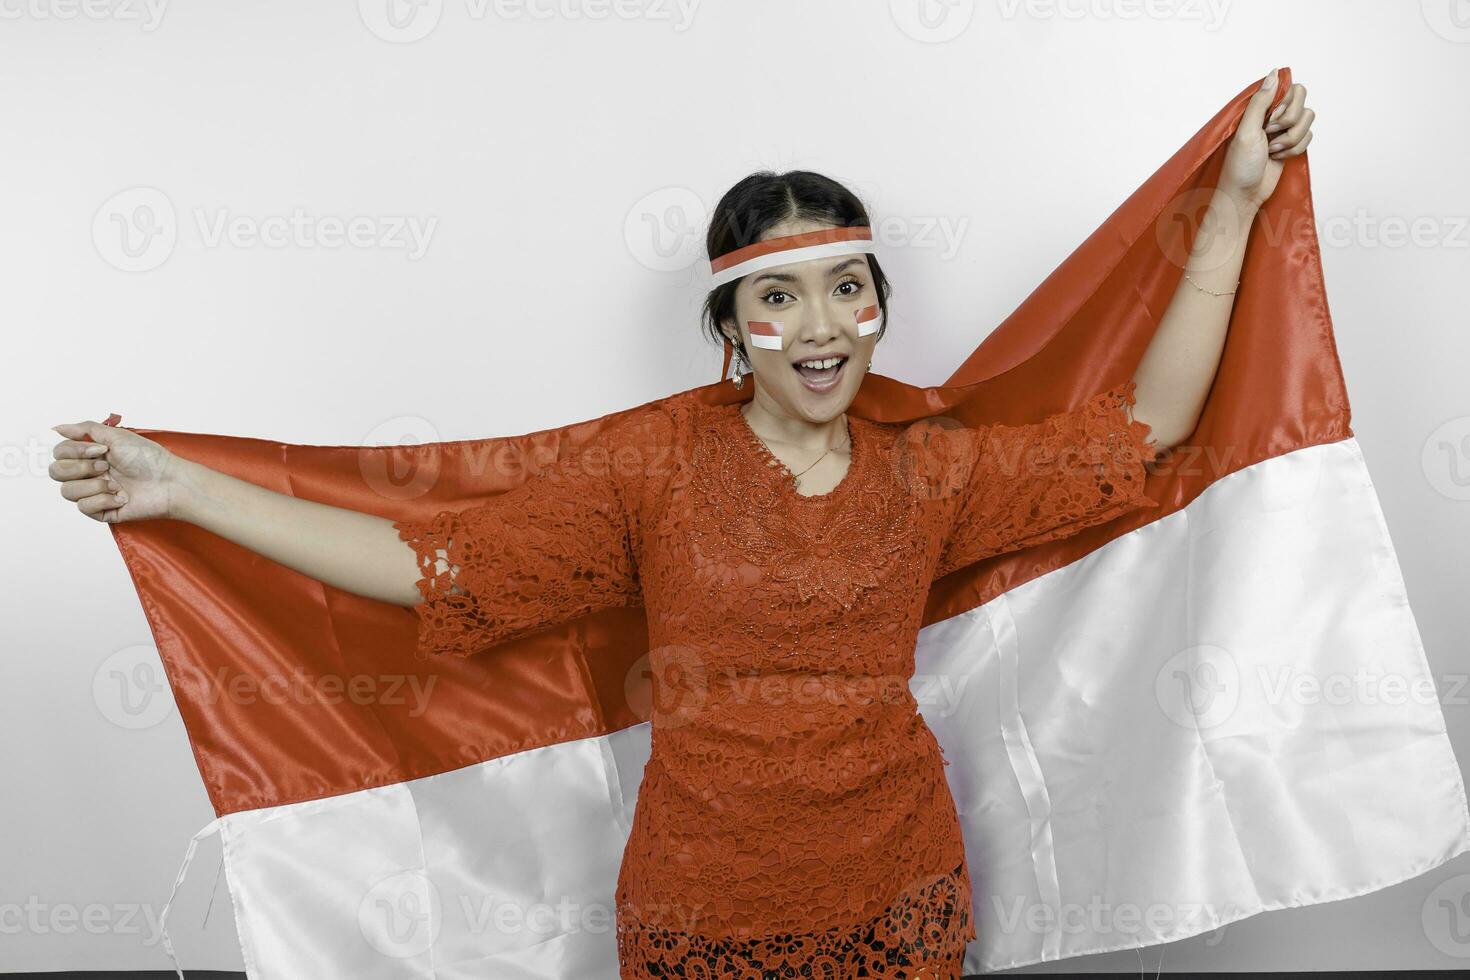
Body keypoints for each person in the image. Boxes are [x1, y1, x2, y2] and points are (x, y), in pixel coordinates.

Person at [50, 69, 1314, 980]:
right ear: (729, 325)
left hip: (901, 889)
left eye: (845, 290)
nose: (819, 326)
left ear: (879, 306)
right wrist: (180, 488)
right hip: (699, 909)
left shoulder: (931, 473)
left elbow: (1139, 436)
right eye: (779, 295)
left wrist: (1236, 202)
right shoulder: (653, 468)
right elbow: (429, 567)